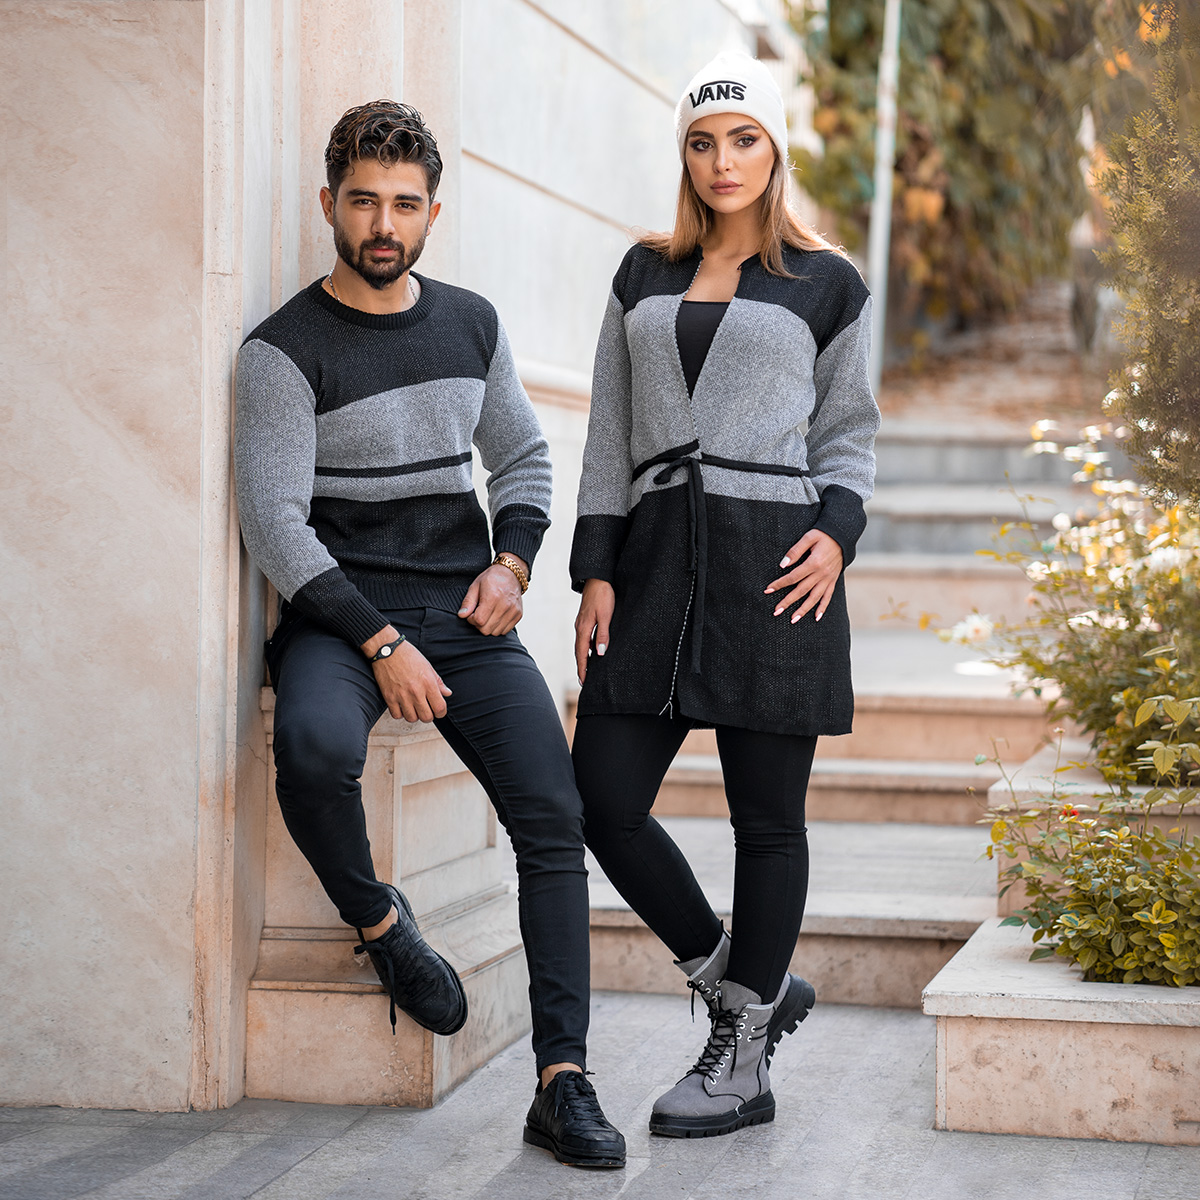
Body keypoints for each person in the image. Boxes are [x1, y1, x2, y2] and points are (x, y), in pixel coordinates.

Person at [235, 100, 624, 1169]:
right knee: (313, 749)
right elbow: (274, 524)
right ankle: (380, 925)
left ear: (432, 215)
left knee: (554, 815)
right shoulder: (281, 351)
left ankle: (563, 1079)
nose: (383, 224)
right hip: (339, 617)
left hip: (462, 610)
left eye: (404, 205)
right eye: (363, 201)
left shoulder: (471, 324)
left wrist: (513, 563)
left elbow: (525, 460)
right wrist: (377, 644)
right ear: (329, 203)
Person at [570, 52, 880, 1138]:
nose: (722, 161)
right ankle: (736, 981)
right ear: (685, 156)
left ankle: (741, 1062)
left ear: (775, 148)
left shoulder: (827, 281)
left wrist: (837, 536)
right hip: (654, 560)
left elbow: (848, 432)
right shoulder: (642, 272)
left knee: (767, 823)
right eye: (702, 143)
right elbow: (609, 433)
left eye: (743, 139)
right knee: (598, 797)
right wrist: (596, 568)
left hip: (775, 564)